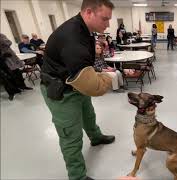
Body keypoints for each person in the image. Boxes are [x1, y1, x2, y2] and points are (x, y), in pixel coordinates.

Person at [40, 0, 115, 179]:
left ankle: (96, 137)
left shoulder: (85, 30)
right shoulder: (72, 36)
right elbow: (94, 87)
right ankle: (77, 176)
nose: (108, 24)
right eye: (105, 19)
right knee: (71, 137)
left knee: (88, 115)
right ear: (89, 12)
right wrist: (109, 77)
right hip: (61, 93)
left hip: (74, 84)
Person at [0, 33, 33, 100]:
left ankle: (22, 86)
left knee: (17, 73)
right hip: (3, 60)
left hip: (9, 57)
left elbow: (9, 42)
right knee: (7, 77)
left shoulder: (1, 36)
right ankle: (12, 92)